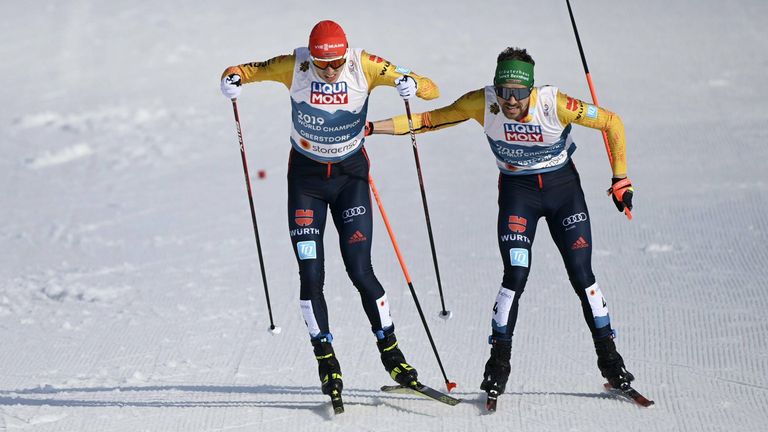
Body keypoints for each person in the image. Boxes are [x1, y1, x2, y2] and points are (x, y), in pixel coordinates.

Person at [369, 47, 637, 400]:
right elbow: (428, 119)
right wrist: (372, 128)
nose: (511, 101)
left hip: (562, 191)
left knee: (581, 274)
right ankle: (497, 367)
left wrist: (621, 179)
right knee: (515, 276)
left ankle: (611, 363)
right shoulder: (483, 103)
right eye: (504, 91)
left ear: (531, 89)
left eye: (519, 93)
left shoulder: (556, 104)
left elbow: (611, 121)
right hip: (518, 194)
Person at [219, 20, 440, 403]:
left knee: (360, 269)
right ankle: (326, 359)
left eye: (336, 63)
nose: (331, 71)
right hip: (305, 180)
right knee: (310, 273)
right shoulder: (296, 65)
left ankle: (392, 354)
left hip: (349, 177)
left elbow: (431, 88)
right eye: (324, 65)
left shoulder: (365, 65)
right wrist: (231, 78)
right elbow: (246, 70)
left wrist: (414, 85)